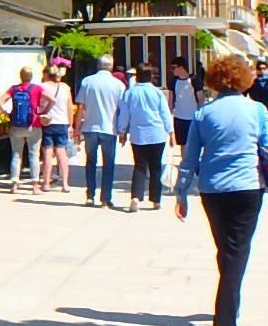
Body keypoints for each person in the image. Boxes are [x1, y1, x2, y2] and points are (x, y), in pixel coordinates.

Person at [174, 54, 268, 326]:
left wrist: (181, 192)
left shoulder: (203, 113)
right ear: (243, 78)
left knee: (226, 247)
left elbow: (190, 157)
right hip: (248, 185)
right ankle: (227, 318)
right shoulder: (257, 110)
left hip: (213, 188)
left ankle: (227, 301)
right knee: (238, 249)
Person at [118, 64, 172, 211]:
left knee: (139, 166)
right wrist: (171, 131)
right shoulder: (157, 93)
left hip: (138, 133)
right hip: (157, 133)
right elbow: (165, 114)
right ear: (152, 76)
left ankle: (136, 196)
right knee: (155, 167)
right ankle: (156, 199)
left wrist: (122, 131)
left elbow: (124, 114)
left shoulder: (130, 93)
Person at [75, 55, 125, 208]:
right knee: (108, 164)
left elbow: (81, 107)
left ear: (98, 65)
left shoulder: (87, 82)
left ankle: (90, 195)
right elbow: (122, 109)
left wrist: (77, 128)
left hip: (90, 127)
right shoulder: (119, 85)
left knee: (91, 162)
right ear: (111, 66)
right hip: (109, 128)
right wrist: (122, 130)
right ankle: (105, 198)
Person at [0, 67, 44, 195]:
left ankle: (15, 185)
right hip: (33, 124)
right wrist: (42, 112)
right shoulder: (37, 88)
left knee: (16, 155)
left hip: (16, 126)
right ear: (31, 76)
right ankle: (35, 186)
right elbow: (52, 99)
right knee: (34, 155)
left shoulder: (14, 89)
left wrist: (6, 114)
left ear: (20, 76)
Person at [36, 64, 74, 194]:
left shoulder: (42, 87)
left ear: (46, 74)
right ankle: (65, 184)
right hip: (62, 123)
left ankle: (46, 183)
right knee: (61, 153)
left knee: (47, 153)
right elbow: (70, 107)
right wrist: (71, 125)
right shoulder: (65, 88)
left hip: (47, 122)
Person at [169, 59, 200, 148]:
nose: (172, 70)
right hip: (179, 117)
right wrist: (169, 116)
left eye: (174, 67)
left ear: (181, 67)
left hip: (193, 117)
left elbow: (200, 99)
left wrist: (200, 116)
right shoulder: (173, 81)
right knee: (182, 144)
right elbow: (171, 100)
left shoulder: (194, 80)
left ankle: (193, 161)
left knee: (194, 143)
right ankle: (184, 161)